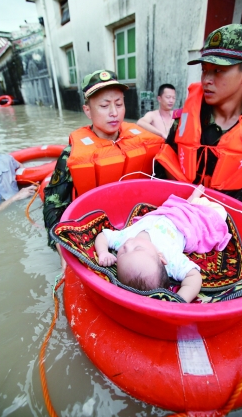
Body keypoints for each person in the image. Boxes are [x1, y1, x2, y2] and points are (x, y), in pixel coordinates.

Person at [43, 70, 164, 270]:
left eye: (119, 104)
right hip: (94, 231)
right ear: (88, 110)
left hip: (138, 225)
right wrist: (60, 245)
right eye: (104, 106)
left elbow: (161, 186)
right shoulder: (70, 155)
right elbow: (53, 204)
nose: (114, 112)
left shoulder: (143, 143)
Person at [154, 24, 242, 224]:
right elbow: (164, 172)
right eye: (204, 70)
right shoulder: (184, 121)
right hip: (179, 216)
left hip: (228, 224)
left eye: (218, 70)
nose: (207, 79)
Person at [95, 185, 230, 303]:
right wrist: (180, 299)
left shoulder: (122, 240)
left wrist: (103, 252)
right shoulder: (169, 257)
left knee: (182, 206)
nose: (127, 246)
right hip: (184, 223)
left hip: (167, 212)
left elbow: (103, 235)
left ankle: (191, 200)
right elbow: (194, 276)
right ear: (160, 257)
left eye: (124, 251)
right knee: (219, 213)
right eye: (123, 253)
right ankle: (194, 202)